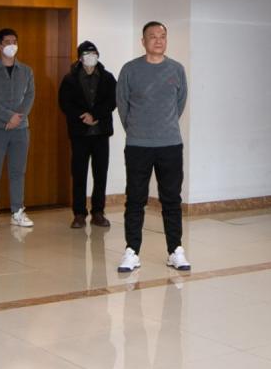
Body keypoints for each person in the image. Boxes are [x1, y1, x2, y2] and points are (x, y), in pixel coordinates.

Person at [118, 20, 190, 273]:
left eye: (162, 36)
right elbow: (123, 105)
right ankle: (131, 251)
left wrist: (163, 126)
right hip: (138, 145)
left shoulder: (177, 69)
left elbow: (179, 103)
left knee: (171, 199)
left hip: (170, 144)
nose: (158, 40)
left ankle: (175, 250)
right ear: (143, 41)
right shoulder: (130, 70)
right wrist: (138, 130)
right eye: (153, 36)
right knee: (135, 199)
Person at [0, 27, 35, 230]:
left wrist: (18, 117)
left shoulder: (26, 71)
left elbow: (29, 96)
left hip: (20, 128)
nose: (12, 45)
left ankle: (17, 211)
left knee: (18, 171)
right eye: (7, 42)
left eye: (15, 41)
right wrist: (7, 117)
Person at [59, 40, 116, 229]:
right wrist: (82, 116)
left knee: (100, 173)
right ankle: (79, 214)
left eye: (94, 54)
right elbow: (65, 103)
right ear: (80, 58)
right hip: (79, 134)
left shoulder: (107, 77)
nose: (91, 57)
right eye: (86, 54)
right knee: (79, 173)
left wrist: (96, 115)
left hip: (101, 133)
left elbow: (113, 100)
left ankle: (98, 212)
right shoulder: (70, 79)